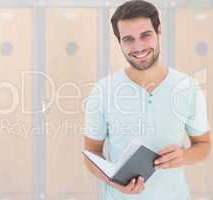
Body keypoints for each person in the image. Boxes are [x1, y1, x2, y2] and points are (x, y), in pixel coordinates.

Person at [83, 0, 211, 199]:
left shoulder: (187, 87)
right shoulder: (103, 91)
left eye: (145, 35)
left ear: (158, 31)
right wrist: (113, 181)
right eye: (128, 39)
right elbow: (92, 152)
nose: (139, 46)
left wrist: (183, 155)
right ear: (119, 42)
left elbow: (203, 145)